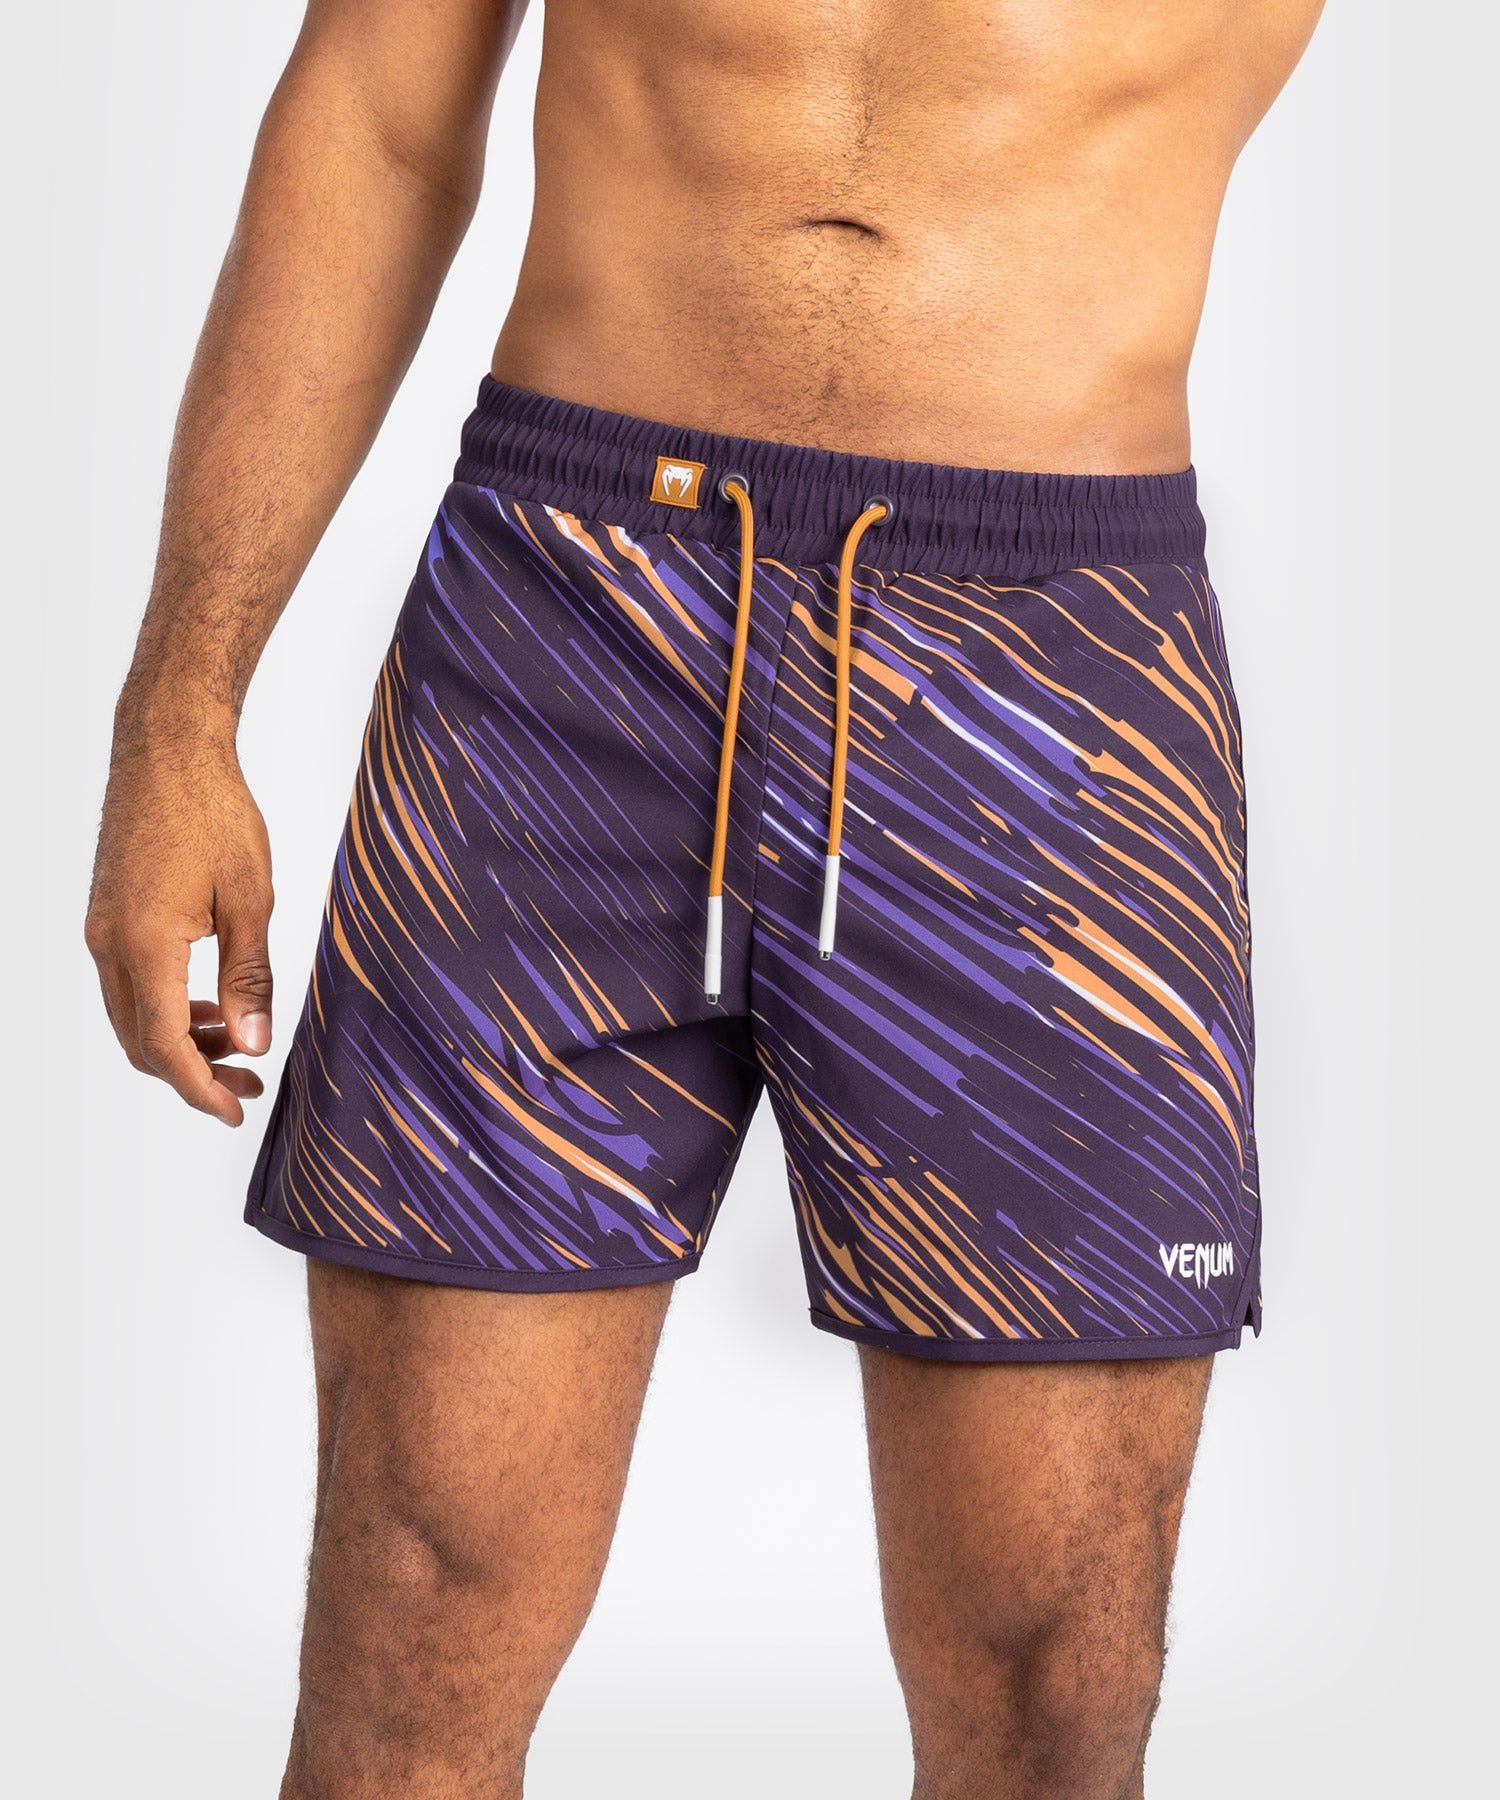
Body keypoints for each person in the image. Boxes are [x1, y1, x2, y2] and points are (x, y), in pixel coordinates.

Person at [85, 1, 1325, 1793]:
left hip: (1049, 707)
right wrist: (181, 711)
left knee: (1051, 1673)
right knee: (414, 1603)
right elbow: (377, 112)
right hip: (561, 631)